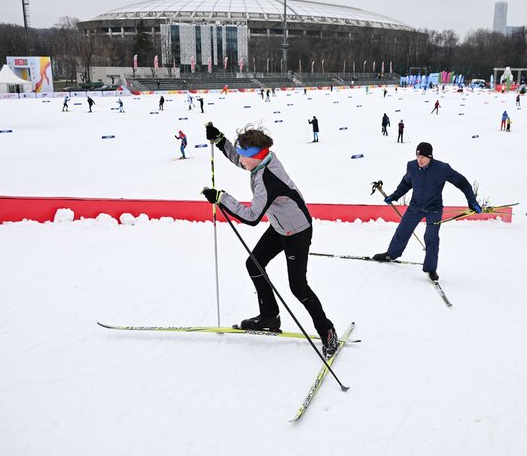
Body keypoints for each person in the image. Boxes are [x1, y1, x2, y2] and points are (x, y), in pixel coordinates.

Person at [202, 122, 339, 357]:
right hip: (279, 227)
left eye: (243, 157)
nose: (240, 162)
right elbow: (241, 159)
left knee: (298, 287)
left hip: (297, 232)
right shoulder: (261, 160)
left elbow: (252, 217)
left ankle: (327, 330)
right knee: (253, 264)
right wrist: (221, 140)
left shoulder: (267, 179)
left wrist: (222, 198)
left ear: (256, 156)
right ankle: (269, 316)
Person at [372, 142, 480, 281]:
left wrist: (472, 201)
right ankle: (391, 254)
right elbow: (406, 183)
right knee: (403, 230)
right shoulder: (412, 166)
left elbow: (462, 183)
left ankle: (431, 268)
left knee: (431, 236)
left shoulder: (442, 168)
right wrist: (394, 196)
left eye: (423, 157)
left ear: (430, 156)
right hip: (415, 206)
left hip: (434, 209)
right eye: (417, 156)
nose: (419, 160)